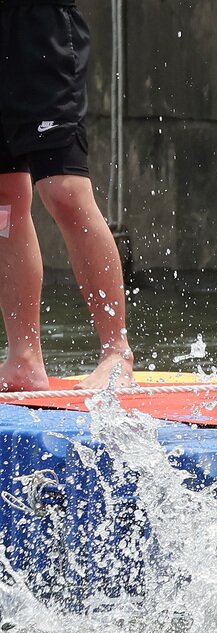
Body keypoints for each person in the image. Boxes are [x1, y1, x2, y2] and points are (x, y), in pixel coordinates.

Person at [0, 0, 135, 392]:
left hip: (39, 26)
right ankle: (24, 359)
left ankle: (116, 352)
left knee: (64, 191)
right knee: (4, 200)